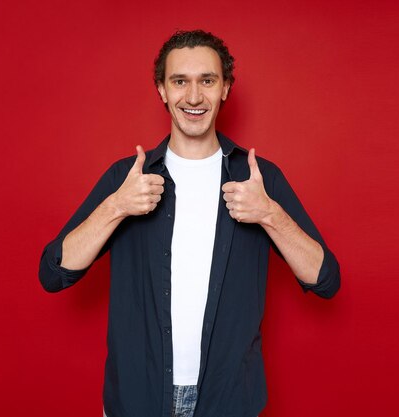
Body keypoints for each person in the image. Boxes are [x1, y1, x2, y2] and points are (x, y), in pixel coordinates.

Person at [39, 29, 340, 417]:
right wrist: (116, 206)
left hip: (228, 400)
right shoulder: (127, 179)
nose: (194, 97)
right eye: (180, 81)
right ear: (162, 90)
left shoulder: (258, 180)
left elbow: (326, 280)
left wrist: (270, 214)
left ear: (225, 88)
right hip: (138, 399)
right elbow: (54, 273)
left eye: (208, 81)